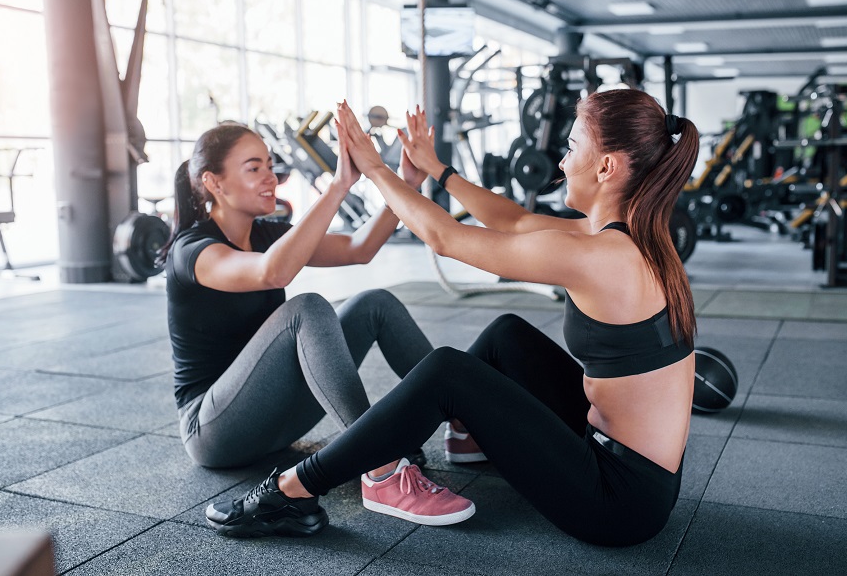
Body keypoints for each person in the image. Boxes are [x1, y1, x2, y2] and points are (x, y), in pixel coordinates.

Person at [207, 88, 699, 547]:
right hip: (633, 469)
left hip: (618, 502)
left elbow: (444, 238)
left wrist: (376, 171)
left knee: (448, 372)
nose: (563, 161)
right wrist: (437, 170)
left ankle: (294, 489)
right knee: (507, 336)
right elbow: (515, 221)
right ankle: (471, 436)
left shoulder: (601, 257)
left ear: (607, 166)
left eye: (572, 147)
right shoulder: (628, 236)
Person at [157, 121, 473, 537]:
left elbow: (360, 249)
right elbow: (274, 272)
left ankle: (467, 425)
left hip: (274, 420)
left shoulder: (267, 232)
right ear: (214, 182)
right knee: (305, 309)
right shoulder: (192, 251)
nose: (271, 176)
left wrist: (404, 183)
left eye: (270, 165)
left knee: (373, 303)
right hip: (214, 431)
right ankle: (381, 471)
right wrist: (339, 184)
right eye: (254, 168)